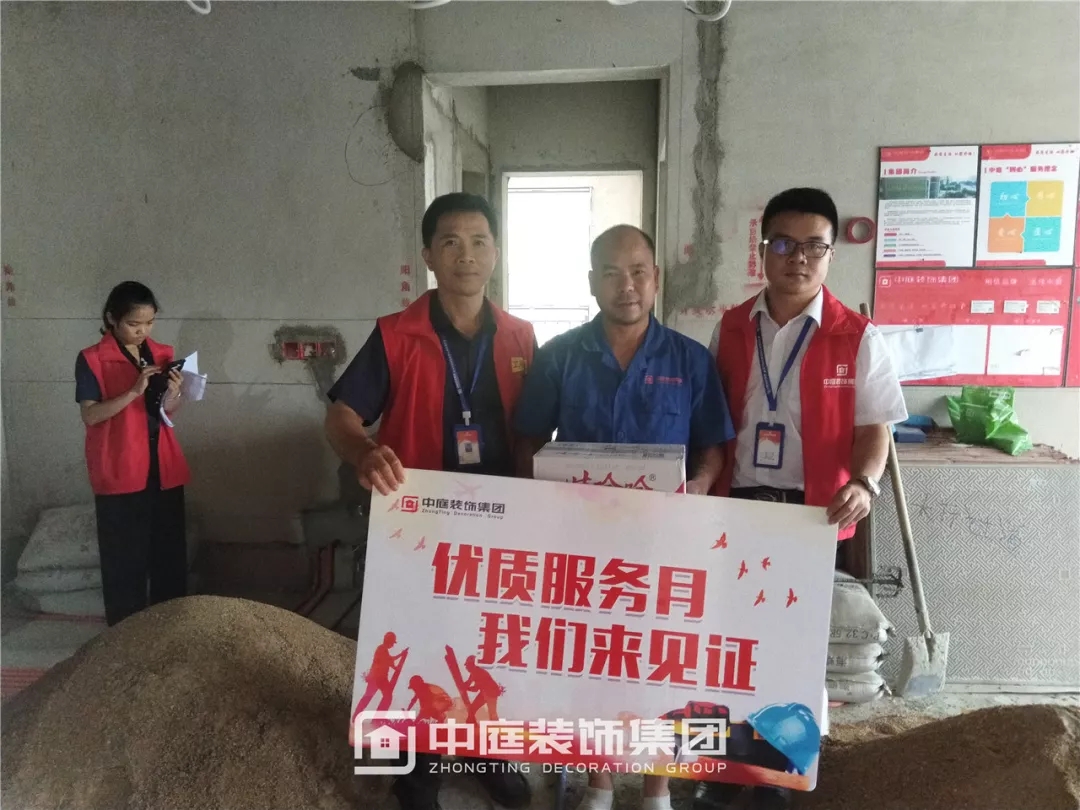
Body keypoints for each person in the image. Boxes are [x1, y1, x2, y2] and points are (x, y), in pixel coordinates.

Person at [697, 188, 907, 810]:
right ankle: (722, 773)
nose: (799, 258)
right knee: (727, 643)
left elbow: (874, 429)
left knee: (793, 650)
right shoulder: (731, 328)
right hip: (738, 507)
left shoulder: (856, 336)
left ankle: (776, 779)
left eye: (815, 246)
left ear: (831, 254)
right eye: (784, 244)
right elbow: (712, 420)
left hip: (809, 516)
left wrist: (864, 483)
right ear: (763, 250)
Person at [513, 224, 735, 810]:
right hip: (582, 543)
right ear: (592, 282)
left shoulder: (690, 360)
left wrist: (700, 485)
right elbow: (528, 439)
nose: (626, 285)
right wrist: (544, 492)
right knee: (592, 659)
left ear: (656, 279)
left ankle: (657, 787)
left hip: (666, 543)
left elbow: (713, 448)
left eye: (638, 272)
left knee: (664, 662)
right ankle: (600, 782)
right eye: (611, 273)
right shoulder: (560, 356)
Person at [325, 192, 535, 810]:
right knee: (418, 642)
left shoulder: (521, 336)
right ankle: (417, 773)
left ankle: (486, 752)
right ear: (428, 256)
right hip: (418, 522)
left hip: (498, 524)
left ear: (496, 252)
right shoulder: (396, 335)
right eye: (450, 242)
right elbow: (341, 417)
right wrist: (364, 453)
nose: (466, 255)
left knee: (490, 642)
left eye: (478, 242)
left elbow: (534, 429)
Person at [76, 281, 188, 627]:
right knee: (124, 563)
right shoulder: (92, 359)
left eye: (149, 323)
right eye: (133, 324)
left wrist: (175, 394)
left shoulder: (162, 352)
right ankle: (126, 638)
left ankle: (170, 631)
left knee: (169, 557)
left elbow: (165, 413)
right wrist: (133, 391)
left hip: (163, 466)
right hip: (120, 468)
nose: (143, 331)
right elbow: (91, 415)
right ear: (112, 318)